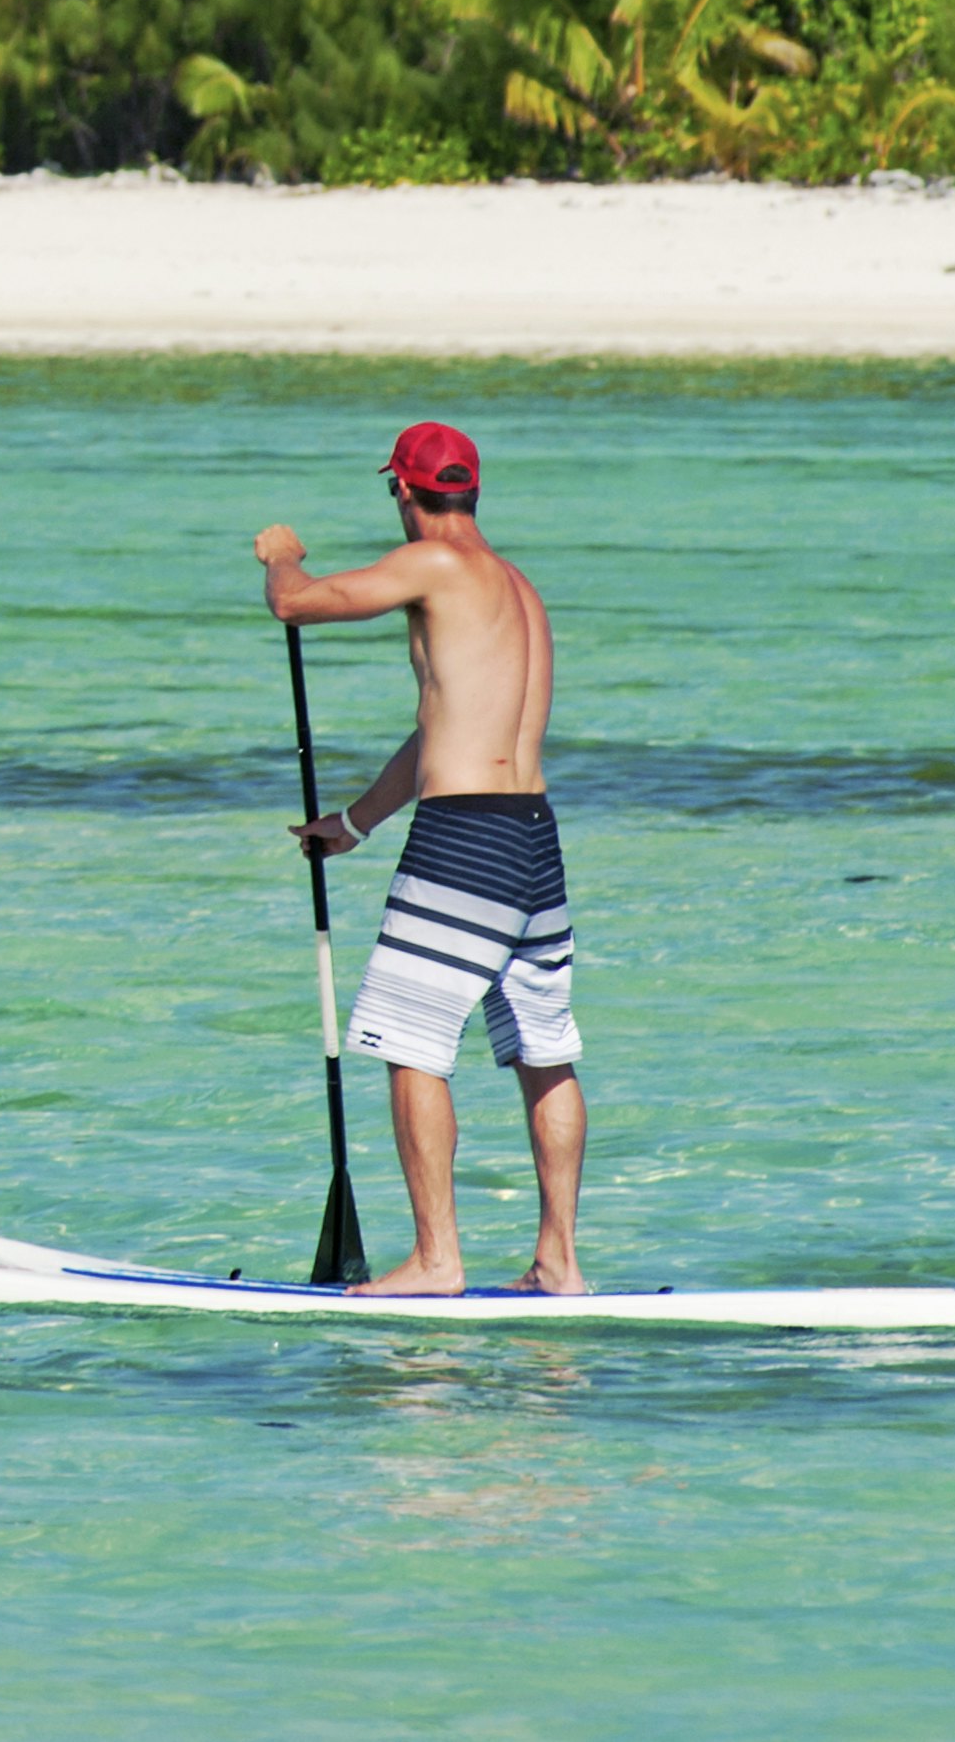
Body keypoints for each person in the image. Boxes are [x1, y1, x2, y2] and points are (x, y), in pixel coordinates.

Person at [257, 419, 582, 1298]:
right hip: (531, 836)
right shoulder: (519, 588)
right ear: (471, 488)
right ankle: (560, 1258)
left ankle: (437, 1258)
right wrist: (355, 822)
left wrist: (282, 557)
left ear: (405, 490)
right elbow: (443, 726)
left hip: (464, 838)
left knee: (410, 1043)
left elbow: (299, 602)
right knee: (543, 1050)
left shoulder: (438, 562)